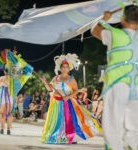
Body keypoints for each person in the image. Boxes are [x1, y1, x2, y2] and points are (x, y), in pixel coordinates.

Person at [91, 4, 138, 150]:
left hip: (117, 85)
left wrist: (104, 18)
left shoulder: (115, 34)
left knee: (113, 122)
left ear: (123, 18)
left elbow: (95, 30)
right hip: (136, 87)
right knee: (134, 125)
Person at [40, 53, 102, 144]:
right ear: (60, 68)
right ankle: (57, 137)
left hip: (67, 103)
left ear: (69, 68)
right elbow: (50, 89)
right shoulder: (55, 78)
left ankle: (72, 138)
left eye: (66, 67)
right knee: (57, 122)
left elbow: (76, 91)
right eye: (63, 67)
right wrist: (45, 82)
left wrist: (67, 97)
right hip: (56, 103)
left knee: (68, 122)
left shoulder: (71, 79)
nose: (64, 68)